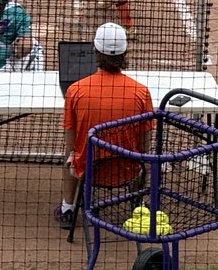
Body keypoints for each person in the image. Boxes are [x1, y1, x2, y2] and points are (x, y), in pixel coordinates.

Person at [56, 22, 153, 229]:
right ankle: (136, 201)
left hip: (88, 170)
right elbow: (145, 146)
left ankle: (68, 208)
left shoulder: (75, 90)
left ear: (95, 51)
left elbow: (72, 143)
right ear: (125, 52)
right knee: (144, 155)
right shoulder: (142, 92)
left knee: (69, 153)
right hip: (128, 169)